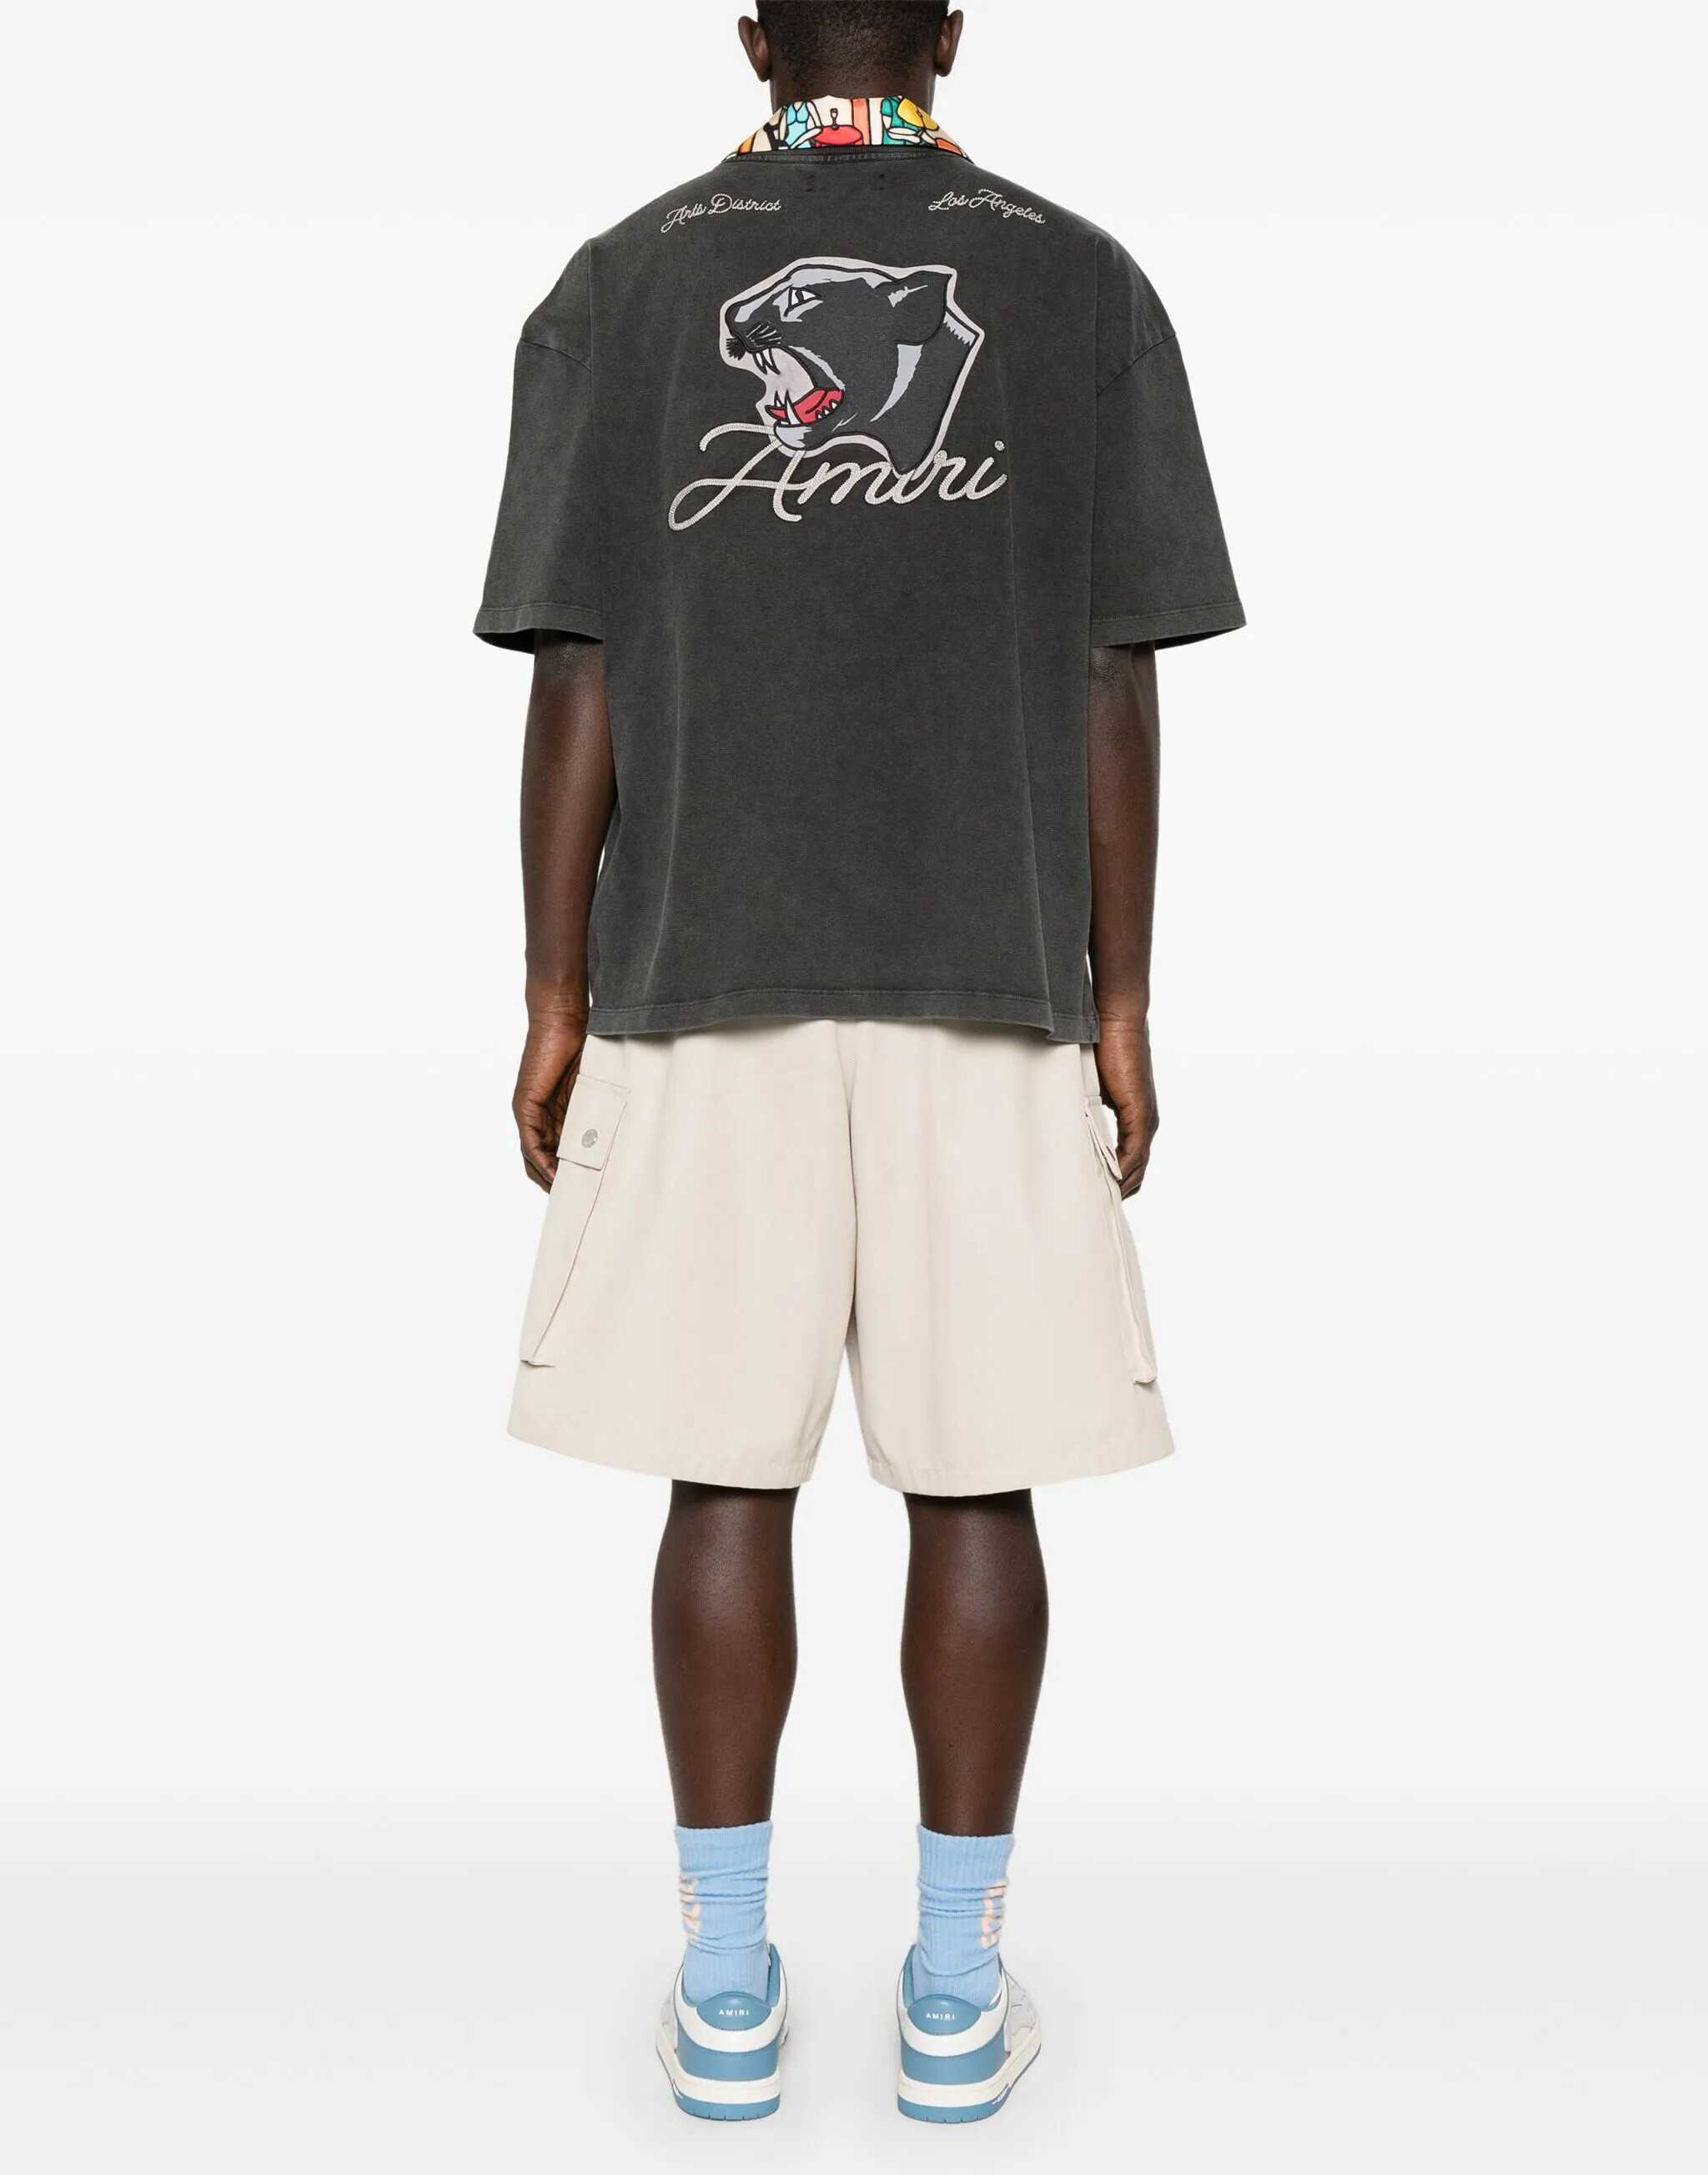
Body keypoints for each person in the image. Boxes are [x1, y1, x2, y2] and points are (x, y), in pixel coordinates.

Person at [475, 0, 1242, 2125]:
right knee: (974, 1473)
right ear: (954, 29)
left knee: (722, 1471)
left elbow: (574, 678)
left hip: (696, 959)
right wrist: (1120, 996)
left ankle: (726, 1987)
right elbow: (1114, 679)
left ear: (746, 34)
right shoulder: (1082, 281)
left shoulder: (622, 284)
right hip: (989, 963)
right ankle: (954, 1988)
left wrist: (552, 989)